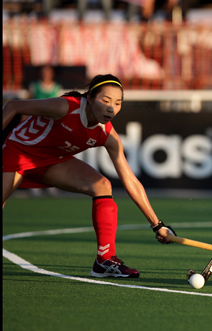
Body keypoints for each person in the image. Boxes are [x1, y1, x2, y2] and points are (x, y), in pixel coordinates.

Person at [3, 74, 177, 278]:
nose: (112, 108)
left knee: (102, 185)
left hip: (53, 161)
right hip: (19, 153)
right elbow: (13, 106)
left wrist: (157, 225)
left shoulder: (107, 135)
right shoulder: (65, 107)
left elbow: (130, 179)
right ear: (90, 98)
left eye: (118, 103)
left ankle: (104, 260)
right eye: (105, 101)